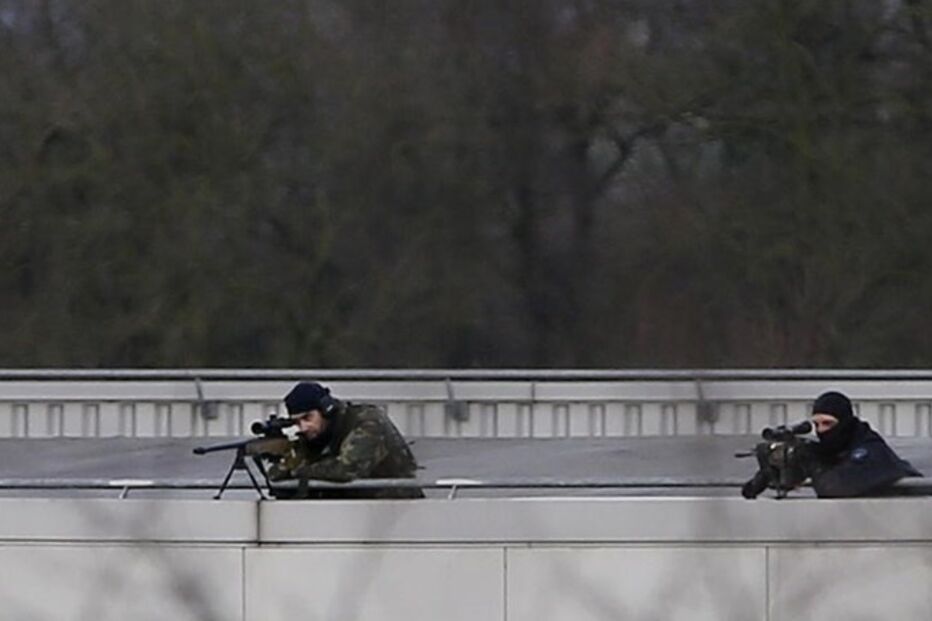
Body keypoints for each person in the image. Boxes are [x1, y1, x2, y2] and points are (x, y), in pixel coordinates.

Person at [741, 390, 921, 499]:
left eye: (828, 424)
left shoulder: (870, 449)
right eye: (817, 424)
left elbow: (836, 486)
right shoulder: (834, 449)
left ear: (845, 421)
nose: (821, 431)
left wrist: (810, 462)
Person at [268, 381, 424, 499]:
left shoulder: (368, 421)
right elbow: (276, 475)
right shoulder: (314, 436)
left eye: (307, 418)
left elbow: (347, 468)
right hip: (354, 514)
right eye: (296, 422)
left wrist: (296, 472)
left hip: (400, 509)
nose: (303, 427)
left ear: (326, 409)